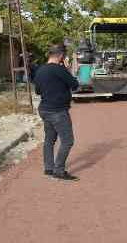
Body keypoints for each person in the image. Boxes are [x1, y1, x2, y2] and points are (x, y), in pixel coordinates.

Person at [33, 44, 80, 181]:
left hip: (44, 109)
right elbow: (75, 85)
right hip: (57, 111)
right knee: (67, 141)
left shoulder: (40, 70)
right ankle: (58, 170)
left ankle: (48, 168)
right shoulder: (60, 69)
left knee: (49, 139)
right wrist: (67, 69)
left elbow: (38, 91)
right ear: (60, 56)